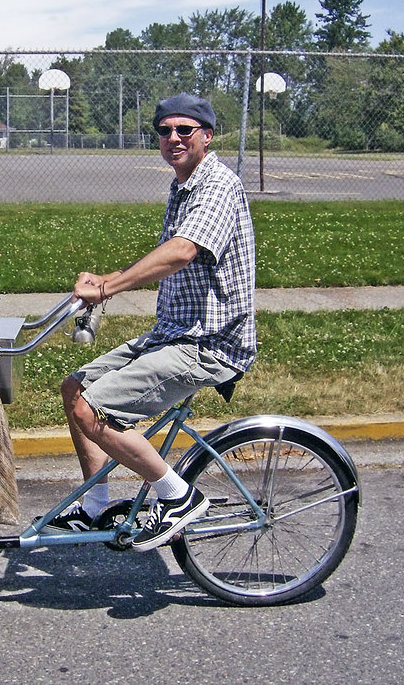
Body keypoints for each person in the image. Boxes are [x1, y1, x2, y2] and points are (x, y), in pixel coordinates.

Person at [47, 92, 257, 552]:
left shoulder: (218, 184)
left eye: (185, 130)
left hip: (209, 343)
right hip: (173, 334)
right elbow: (168, 256)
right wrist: (109, 278)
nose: (174, 138)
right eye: (165, 131)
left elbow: (183, 251)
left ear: (207, 135)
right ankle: (96, 506)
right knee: (74, 388)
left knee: (93, 410)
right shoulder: (183, 185)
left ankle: (178, 497)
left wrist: (106, 290)